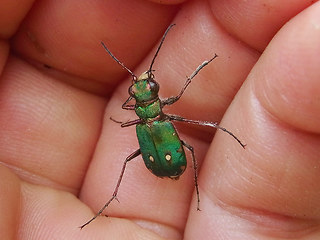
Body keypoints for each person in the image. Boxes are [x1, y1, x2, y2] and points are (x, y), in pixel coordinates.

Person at [1, 1, 319, 239]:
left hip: (157, 156)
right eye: (144, 87)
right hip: (166, 155)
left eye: (146, 86)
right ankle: (206, 155)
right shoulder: (160, 113)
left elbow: (129, 113)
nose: (144, 83)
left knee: (133, 159)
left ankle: (117, 198)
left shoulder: (135, 119)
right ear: (149, 99)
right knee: (191, 148)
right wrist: (200, 79)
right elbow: (179, 92)